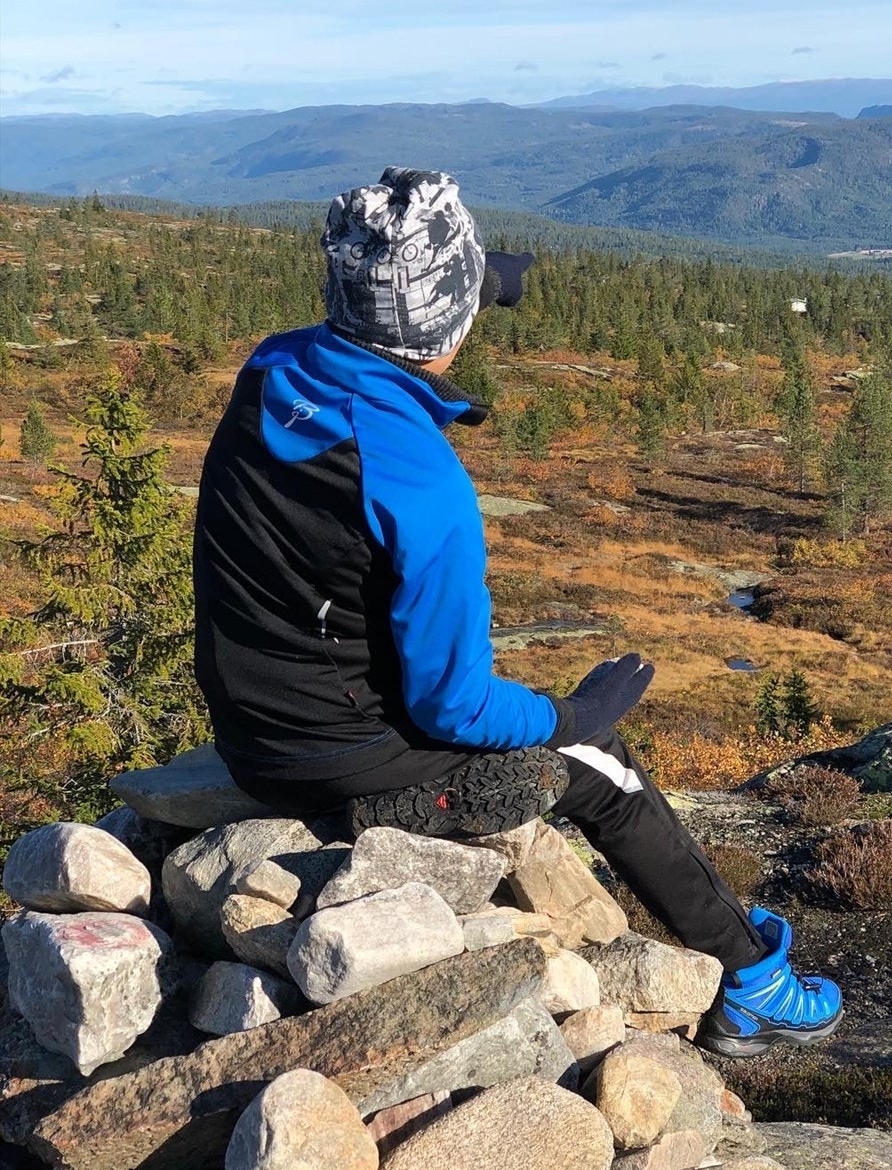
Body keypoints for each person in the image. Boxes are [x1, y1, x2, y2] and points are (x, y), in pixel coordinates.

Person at [193, 167, 842, 1057]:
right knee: (599, 763)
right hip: (337, 754)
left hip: (250, 728)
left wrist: (475, 279)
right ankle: (754, 980)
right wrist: (576, 714)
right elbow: (452, 709)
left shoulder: (273, 369)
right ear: (446, 326)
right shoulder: (423, 488)